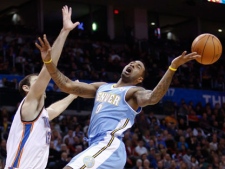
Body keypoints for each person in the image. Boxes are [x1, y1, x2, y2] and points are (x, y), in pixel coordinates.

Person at [40, 22, 200, 169]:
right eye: (132, 63)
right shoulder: (102, 87)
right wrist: (48, 62)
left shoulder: (133, 93)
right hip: (96, 145)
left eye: (138, 66)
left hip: (109, 144)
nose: (132, 64)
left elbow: (153, 98)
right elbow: (67, 85)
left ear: (139, 79)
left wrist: (172, 67)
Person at [4, 5, 80, 169]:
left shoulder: (39, 114)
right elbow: (48, 72)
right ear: (26, 89)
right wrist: (64, 32)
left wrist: (73, 94)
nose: (41, 82)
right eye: (36, 80)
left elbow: (54, 109)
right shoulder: (29, 104)